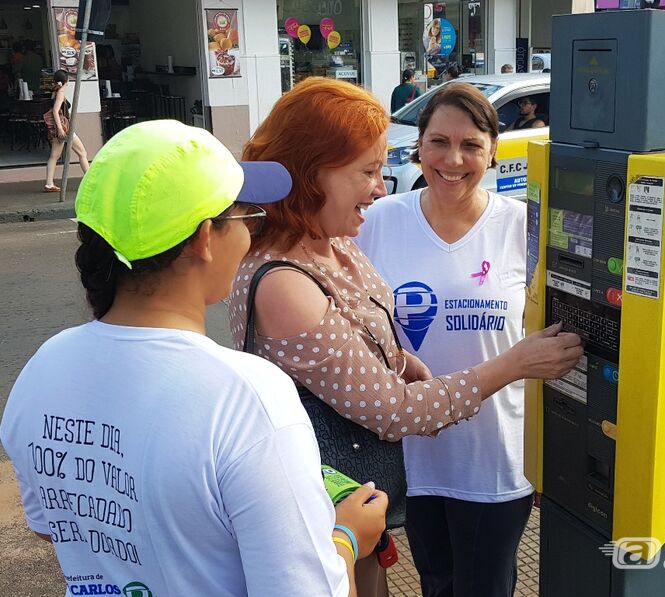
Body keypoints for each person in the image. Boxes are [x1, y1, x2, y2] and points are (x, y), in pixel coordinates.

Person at [0, 120, 387, 597]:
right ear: (205, 238)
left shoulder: (42, 369)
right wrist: (347, 538)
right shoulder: (248, 397)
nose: (252, 235)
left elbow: (48, 523)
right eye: (248, 218)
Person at [228, 77, 582, 596]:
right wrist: (513, 364)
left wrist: (396, 355)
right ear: (311, 173)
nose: (380, 186)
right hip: (335, 504)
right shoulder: (287, 279)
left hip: (422, 479)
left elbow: (366, 315)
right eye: (368, 171)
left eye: (471, 145)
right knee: (437, 580)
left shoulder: (336, 239)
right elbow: (395, 410)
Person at [355, 82, 542, 596]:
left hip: (496, 462)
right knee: (436, 582)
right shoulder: (378, 220)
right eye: (438, 142)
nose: (452, 159)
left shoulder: (523, 227)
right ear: (419, 145)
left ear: (494, 151)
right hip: (412, 461)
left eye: (471, 146)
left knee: (484, 588)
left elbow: (547, 341)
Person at [43, 70, 89, 193]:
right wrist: (59, 128)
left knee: (54, 156)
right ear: (66, 80)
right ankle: (89, 179)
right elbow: (55, 111)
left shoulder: (55, 91)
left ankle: (49, 183)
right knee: (82, 153)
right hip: (65, 129)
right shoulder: (60, 93)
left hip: (61, 129)